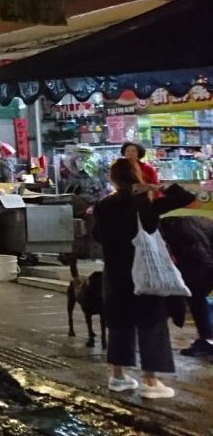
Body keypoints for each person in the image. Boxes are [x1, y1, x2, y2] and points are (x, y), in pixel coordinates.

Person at [93, 158, 194, 399]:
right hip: (146, 272)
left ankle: (118, 377)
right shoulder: (143, 203)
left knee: (119, 323)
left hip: (116, 274)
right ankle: (151, 381)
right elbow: (186, 197)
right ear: (137, 175)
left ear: (113, 179)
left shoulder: (103, 205)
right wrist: (156, 187)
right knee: (152, 323)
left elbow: (97, 235)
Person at [160, 214, 213, 358]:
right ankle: (207, 341)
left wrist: (184, 288)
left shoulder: (182, 233)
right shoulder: (170, 231)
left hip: (204, 261)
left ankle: (208, 340)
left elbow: (205, 263)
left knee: (196, 297)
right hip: (202, 259)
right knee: (196, 300)